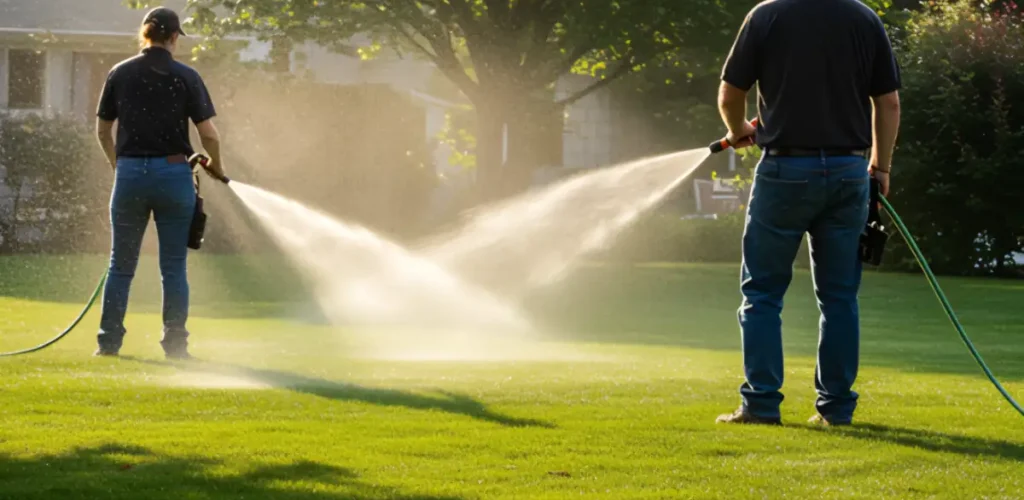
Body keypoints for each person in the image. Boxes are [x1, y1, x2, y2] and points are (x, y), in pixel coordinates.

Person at [714, 0, 901, 426]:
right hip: (849, 173)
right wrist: (881, 166)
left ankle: (761, 405)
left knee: (761, 294)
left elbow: (730, 93)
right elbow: (888, 103)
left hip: (784, 169)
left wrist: (737, 130)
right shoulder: (863, 18)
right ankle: (835, 411)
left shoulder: (767, 15)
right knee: (839, 298)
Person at [94, 6, 228, 360]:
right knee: (173, 268)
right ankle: (175, 345)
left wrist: (117, 165)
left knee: (120, 266)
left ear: (145, 34)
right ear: (172, 38)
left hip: (130, 175)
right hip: (174, 175)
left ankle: (108, 343)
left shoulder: (119, 73)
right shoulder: (186, 76)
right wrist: (216, 166)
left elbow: (102, 130)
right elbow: (209, 135)